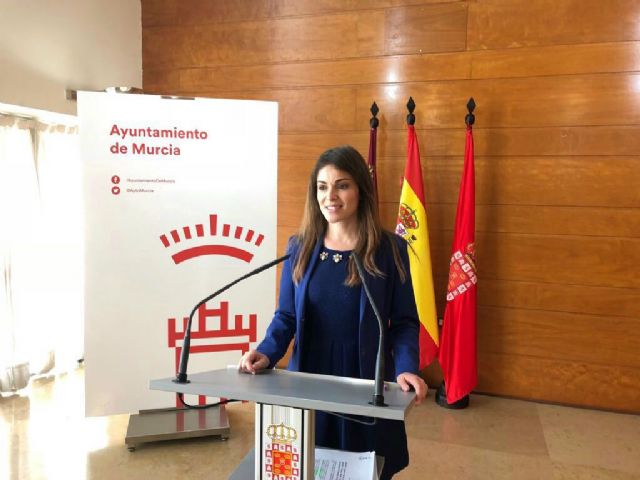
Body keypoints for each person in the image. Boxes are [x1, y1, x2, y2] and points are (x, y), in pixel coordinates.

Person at [238, 145, 427, 479]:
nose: (331, 197)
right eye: (322, 187)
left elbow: (404, 322)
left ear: (361, 190)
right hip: (310, 377)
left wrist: (406, 366)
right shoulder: (300, 247)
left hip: (365, 379)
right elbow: (286, 316)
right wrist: (266, 352)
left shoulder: (389, 250)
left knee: (367, 467)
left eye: (342, 185)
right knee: (308, 464)